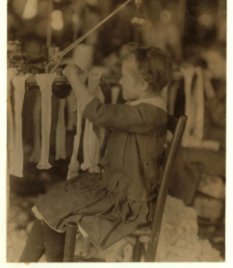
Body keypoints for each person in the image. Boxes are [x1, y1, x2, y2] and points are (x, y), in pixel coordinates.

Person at [19, 44, 172, 262]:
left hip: (126, 203)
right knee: (52, 200)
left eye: (124, 78)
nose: (119, 82)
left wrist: (73, 76)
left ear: (144, 84)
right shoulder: (141, 110)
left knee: (56, 209)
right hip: (114, 187)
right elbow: (109, 129)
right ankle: (24, 262)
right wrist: (84, 87)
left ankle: (43, 262)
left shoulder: (148, 115)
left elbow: (98, 113)